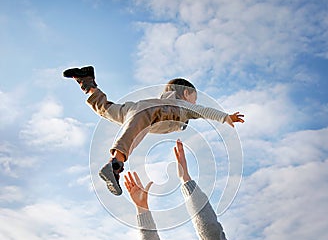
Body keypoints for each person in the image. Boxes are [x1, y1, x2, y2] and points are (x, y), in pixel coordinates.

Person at [63, 66, 244, 195]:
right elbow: (203, 111)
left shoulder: (172, 107)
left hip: (135, 110)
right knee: (137, 127)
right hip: (150, 112)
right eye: (193, 98)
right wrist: (225, 117)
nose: (194, 103)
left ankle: (87, 81)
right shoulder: (180, 106)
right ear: (185, 94)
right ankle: (115, 164)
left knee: (108, 110)